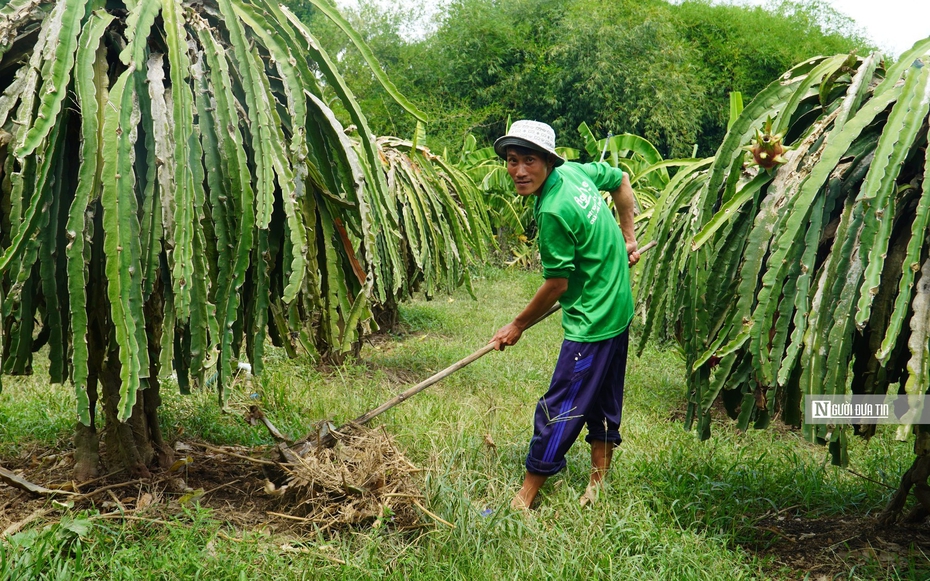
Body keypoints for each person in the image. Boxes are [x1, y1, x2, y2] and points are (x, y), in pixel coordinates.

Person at [488, 120, 640, 510]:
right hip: (619, 304)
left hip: (594, 320)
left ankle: (525, 496)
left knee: (561, 407)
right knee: (605, 401)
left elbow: (557, 285)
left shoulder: (553, 210)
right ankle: (597, 485)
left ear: (548, 161)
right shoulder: (574, 171)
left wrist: (517, 324)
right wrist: (628, 237)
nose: (520, 171)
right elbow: (620, 179)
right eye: (512, 160)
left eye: (530, 161)